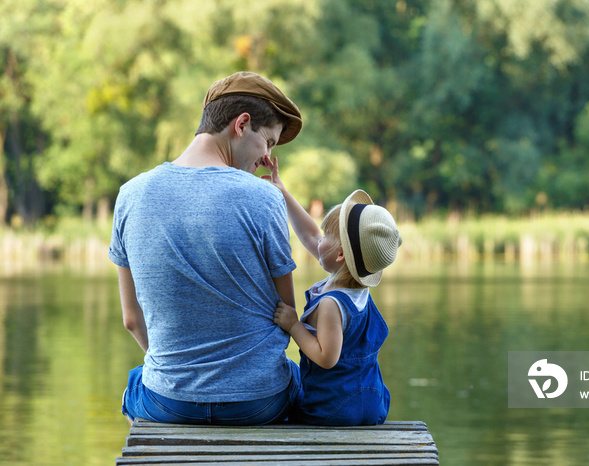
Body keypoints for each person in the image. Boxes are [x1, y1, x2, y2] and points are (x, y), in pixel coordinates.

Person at [109, 71, 304, 425]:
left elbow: (132, 320)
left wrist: (183, 382)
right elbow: (286, 313)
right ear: (242, 125)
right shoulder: (264, 198)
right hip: (259, 403)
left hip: (169, 404)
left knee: (137, 384)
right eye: (270, 143)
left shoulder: (129, 195)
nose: (267, 158)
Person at [262, 155, 402, 425]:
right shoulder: (357, 289)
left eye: (327, 235)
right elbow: (311, 236)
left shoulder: (331, 304)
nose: (319, 238)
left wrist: (293, 325)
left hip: (334, 407)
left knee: (287, 383)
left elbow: (326, 357)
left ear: (339, 255)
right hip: (371, 400)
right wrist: (282, 191)